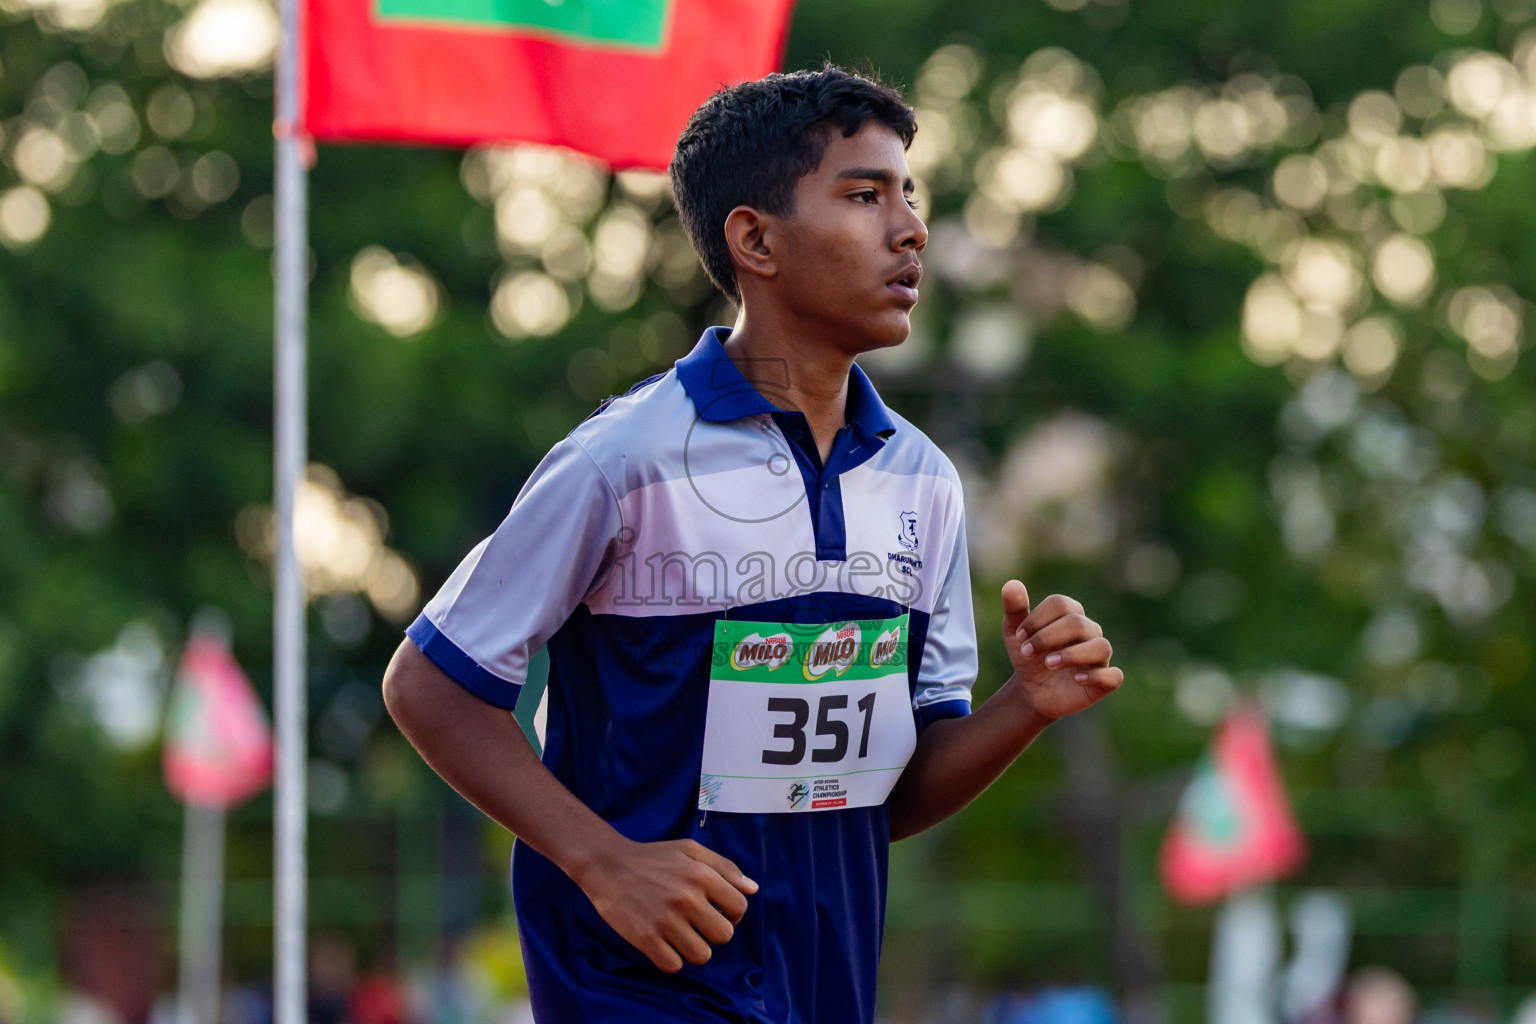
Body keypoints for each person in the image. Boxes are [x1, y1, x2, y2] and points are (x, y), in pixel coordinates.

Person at [382, 65, 1123, 1023]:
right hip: (633, 987)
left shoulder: (925, 482)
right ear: (755, 239)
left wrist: (1024, 706)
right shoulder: (625, 458)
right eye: (864, 195)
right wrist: (605, 861)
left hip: (826, 987)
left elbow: (886, 796)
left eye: (909, 194)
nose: (910, 228)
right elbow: (430, 682)